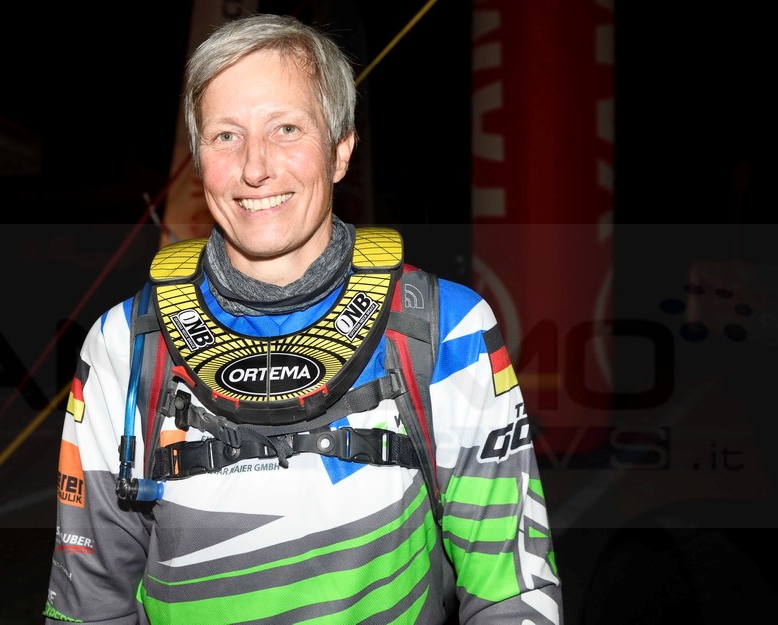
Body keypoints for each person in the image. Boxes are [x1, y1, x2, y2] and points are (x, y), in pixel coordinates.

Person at [44, 13, 562, 625]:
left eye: (286, 128)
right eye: (226, 135)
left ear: (340, 151)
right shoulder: (123, 342)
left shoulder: (446, 327)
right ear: (199, 158)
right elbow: (89, 607)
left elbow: (510, 593)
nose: (255, 167)